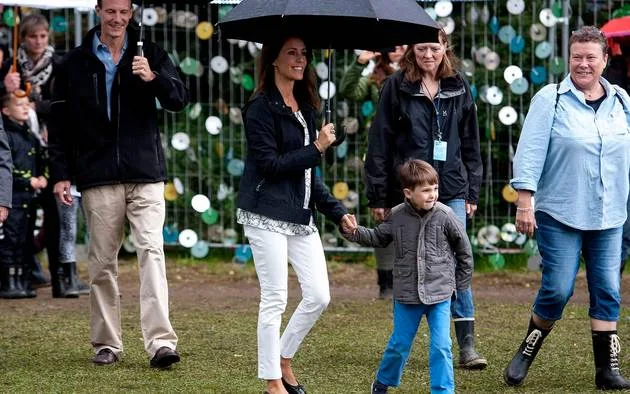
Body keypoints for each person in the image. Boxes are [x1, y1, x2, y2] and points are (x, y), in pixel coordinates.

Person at [47, 0, 186, 368]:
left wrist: (153, 77)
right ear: (98, 10)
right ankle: (107, 343)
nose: (118, 19)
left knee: (152, 252)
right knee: (102, 263)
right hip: (98, 176)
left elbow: (178, 99)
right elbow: (58, 125)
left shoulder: (150, 52)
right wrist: (61, 172)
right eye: (111, 11)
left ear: (132, 11)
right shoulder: (73, 62)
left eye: (124, 12)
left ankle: (160, 344)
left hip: (145, 174)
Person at [505, 26, 630, 390]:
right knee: (558, 289)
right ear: (569, 59)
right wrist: (525, 202)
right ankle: (527, 349)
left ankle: (606, 370)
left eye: (592, 57)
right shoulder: (551, 99)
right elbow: (528, 151)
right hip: (559, 212)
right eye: (578, 57)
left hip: (609, 215)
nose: (584, 64)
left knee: (607, 288)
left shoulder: (621, 100)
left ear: (605, 60)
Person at [236, 34, 356, 394]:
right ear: (273, 59)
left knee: (319, 295)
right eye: (292, 53)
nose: (300, 59)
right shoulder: (259, 107)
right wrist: (317, 146)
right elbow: (271, 166)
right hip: (265, 212)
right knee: (275, 298)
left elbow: (307, 173)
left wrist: (336, 212)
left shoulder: (305, 105)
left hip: (300, 214)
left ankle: (283, 358)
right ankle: (273, 382)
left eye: (304, 53)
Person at [364, 29, 486, 370]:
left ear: (445, 47)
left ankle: (467, 346)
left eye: (434, 47)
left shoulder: (459, 85)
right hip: (409, 189)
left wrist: (471, 190)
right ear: (411, 51)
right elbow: (380, 143)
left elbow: (471, 143)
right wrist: (379, 194)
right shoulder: (396, 87)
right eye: (421, 48)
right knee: (414, 260)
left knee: (458, 260)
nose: (428, 54)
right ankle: (404, 339)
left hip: (451, 187)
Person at [342, 159, 472, 394]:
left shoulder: (446, 215)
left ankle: (443, 391)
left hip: (440, 294)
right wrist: (355, 232)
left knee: (442, 346)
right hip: (406, 295)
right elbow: (378, 238)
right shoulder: (397, 215)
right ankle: (382, 383)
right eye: (425, 190)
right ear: (408, 193)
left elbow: (465, 252)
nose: (432, 194)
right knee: (399, 345)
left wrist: (459, 286)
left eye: (435, 188)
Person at [2, 13, 84, 296]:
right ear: (23, 39)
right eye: (32, 37)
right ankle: (25, 269)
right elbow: (7, 101)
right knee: (21, 210)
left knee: (57, 211)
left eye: (43, 36)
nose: (38, 42)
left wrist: (37, 105)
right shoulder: (12, 66)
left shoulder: (58, 64)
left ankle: (62, 273)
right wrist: (7, 86)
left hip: (51, 141)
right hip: (20, 141)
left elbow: (64, 102)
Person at [339, 46, 405, 300]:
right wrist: (360, 62)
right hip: (382, 157)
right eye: (393, 46)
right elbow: (347, 90)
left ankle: (407, 280)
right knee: (384, 219)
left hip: (411, 157)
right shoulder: (376, 77)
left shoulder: (419, 74)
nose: (397, 49)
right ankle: (385, 283)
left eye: (402, 45)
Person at [0, 91, 46, 299]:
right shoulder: (7, 135)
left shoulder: (30, 135)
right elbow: (7, 166)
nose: (26, 108)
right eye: (19, 104)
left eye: (27, 104)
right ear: (6, 110)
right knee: (10, 239)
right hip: (13, 196)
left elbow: (41, 161)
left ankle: (22, 279)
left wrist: (43, 177)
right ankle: (9, 281)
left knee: (24, 239)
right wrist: (27, 181)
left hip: (29, 198)